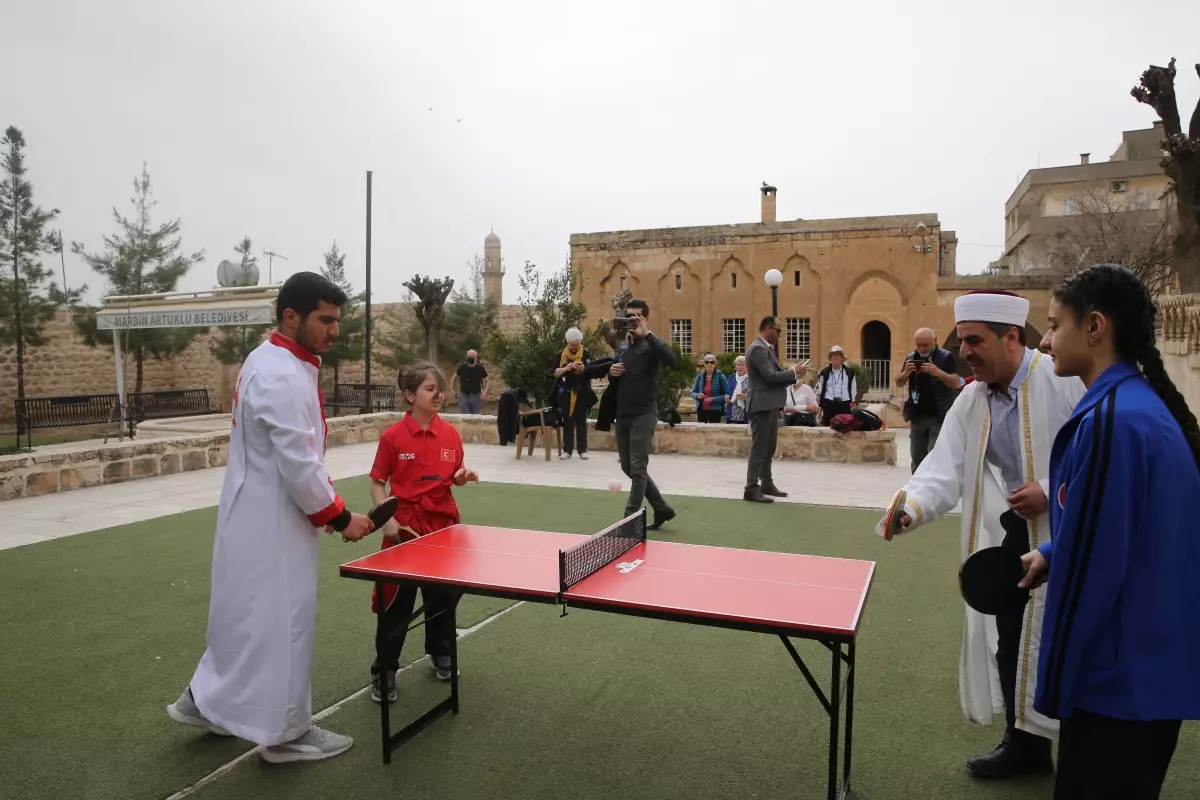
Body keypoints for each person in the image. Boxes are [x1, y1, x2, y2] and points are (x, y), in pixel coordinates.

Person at [874, 289, 1086, 779]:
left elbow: (1104, 459)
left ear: (1012, 338)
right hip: (1017, 534)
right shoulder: (972, 397)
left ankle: (1081, 746)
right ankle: (1025, 743)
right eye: (962, 341)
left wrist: (1053, 490)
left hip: (1075, 532)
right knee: (1012, 635)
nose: (965, 351)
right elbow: (944, 464)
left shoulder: (1063, 383)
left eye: (975, 341)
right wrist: (912, 508)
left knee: (1071, 636)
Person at [167, 271, 375, 764]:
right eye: (325, 319)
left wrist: (328, 509)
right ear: (290, 316)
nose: (335, 330)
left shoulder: (268, 360)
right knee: (285, 622)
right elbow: (298, 462)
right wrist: (341, 516)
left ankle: (203, 701)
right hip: (274, 522)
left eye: (337, 320)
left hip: (255, 515)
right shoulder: (281, 373)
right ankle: (286, 734)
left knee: (242, 618)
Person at [1017, 265, 1200, 798]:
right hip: (1142, 670)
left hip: (1117, 680)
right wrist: (1052, 550)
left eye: (1054, 325)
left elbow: (1096, 571)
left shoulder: (1113, 422)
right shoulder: (1134, 406)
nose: (1046, 341)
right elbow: (1126, 525)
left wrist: (1053, 685)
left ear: (1094, 327)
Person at [368, 362, 479, 704]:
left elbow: (452, 476)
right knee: (397, 605)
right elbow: (377, 481)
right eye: (431, 389)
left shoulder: (450, 434)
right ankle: (384, 670)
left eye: (440, 389)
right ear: (409, 395)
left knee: (441, 599)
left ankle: (440, 652)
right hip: (404, 530)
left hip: (443, 527)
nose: (439, 395)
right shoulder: (392, 437)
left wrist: (461, 477)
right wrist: (387, 521)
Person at [607, 300, 677, 528]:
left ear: (645, 318)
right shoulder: (624, 347)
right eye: (629, 316)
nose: (632, 321)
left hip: (643, 414)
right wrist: (612, 371)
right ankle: (662, 508)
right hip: (623, 414)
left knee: (638, 468)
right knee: (628, 467)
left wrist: (647, 334)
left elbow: (672, 360)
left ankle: (629, 520)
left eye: (637, 317)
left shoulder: (652, 344)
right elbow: (616, 377)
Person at [744, 316, 807, 503]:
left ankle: (766, 483)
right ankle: (751, 488)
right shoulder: (757, 349)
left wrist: (793, 373)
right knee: (759, 448)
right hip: (761, 405)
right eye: (778, 330)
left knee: (768, 447)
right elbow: (770, 376)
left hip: (769, 404)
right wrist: (794, 373)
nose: (780, 334)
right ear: (768, 328)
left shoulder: (764, 349)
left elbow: (773, 376)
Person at [895, 327, 964, 471]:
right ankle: (916, 490)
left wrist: (937, 372)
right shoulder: (911, 357)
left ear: (935, 341)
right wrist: (906, 373)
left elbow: (956, 382)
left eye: (925, 345)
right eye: (918, 345)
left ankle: (932, 490)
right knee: (917, 457)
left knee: (934, 457)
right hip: (917, 415)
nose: (921, 348)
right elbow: (899, 382)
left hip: (938, 416)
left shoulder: (946, 357)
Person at [551, 327, 609, 460]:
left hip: (582, 391)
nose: (574, 347)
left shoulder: (586, 353)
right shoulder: (561, 354)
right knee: (568, 421)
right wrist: (566, 368)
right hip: (566, 392)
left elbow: (592, 370)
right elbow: (554, 372)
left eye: (576, 345)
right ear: (568, 343)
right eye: (572, 345)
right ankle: (568, 450)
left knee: (581, 421)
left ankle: (582, 450)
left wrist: (583, 368)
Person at [814, 345, 856, 422]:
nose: (835, 357)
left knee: (844, 428)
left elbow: (853, 389)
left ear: (842, 357)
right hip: (829, 405)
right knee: (828, 429)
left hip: (844, 405)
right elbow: (821, 389)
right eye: (833, 355)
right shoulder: (825, 372)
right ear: (830, 358)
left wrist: (852, 402)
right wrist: (821, 407)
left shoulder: (849, 372)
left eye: (837, 355)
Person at [690, 354, 729, 423]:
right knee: (701, 432)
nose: (709, 364)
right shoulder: (700, 376)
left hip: (715, 411)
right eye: (707, 362)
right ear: (704, 364)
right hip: (701, 410)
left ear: (715, 364)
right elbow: (693, 392)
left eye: (712, 362)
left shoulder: (721, 377)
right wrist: (697, 395)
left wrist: (714, 399)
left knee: (713, 432)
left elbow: (727, 394)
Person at [452, 350, 488, 414]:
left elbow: (487, 381)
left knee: (475, 418)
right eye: (469, 356)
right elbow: (453, 377)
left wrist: (485, 393)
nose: (470, 358)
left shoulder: (480, 368)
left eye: (472, 356)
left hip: (476, 396)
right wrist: (452, 389)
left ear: (476, 358)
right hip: (464, 396)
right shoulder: (462, 367)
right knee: (464, 418)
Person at [725, 355, 750, 424]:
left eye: (742, 365)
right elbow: (727, 391)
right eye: (738, 365)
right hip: (731, 415)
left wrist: (747, 396)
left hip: (745, 416)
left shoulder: (752, 379)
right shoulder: (732, 377)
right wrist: (726, 396)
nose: (739, 367)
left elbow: (757, 395)